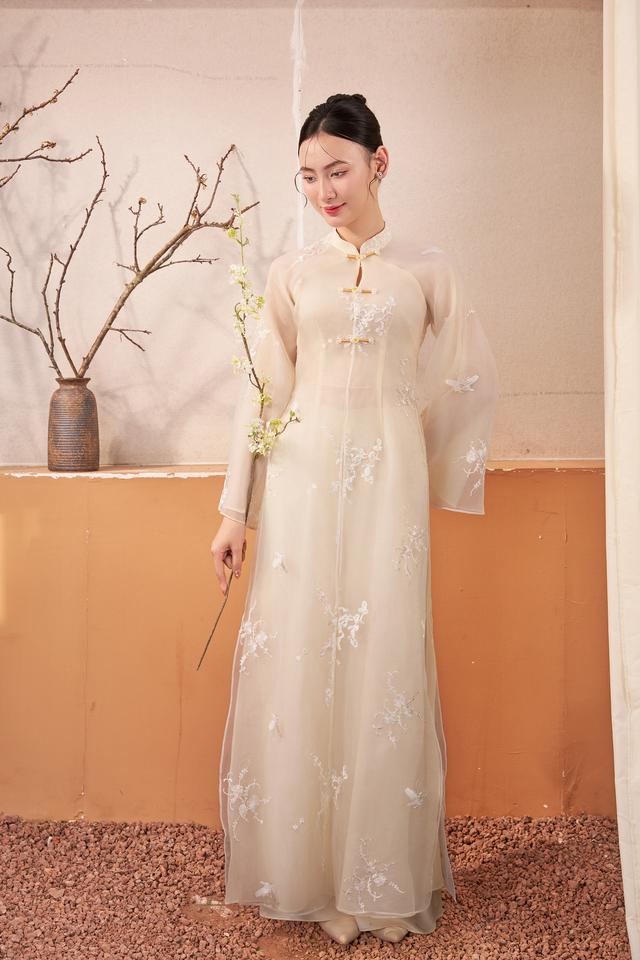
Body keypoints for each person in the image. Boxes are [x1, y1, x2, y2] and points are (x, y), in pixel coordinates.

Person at [211, 92, 499, 946]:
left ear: (380, 163)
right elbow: (261, 394)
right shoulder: (291, 273)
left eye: (337, 170)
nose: (323, 190)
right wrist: (234, 510)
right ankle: (305, 873)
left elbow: (467, 377)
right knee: (302, 655)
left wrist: (418, 449)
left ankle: (374, 881)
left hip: (388, 487)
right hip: (300, 483)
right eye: (307, 176)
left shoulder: (429, 269)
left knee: (382, 659)